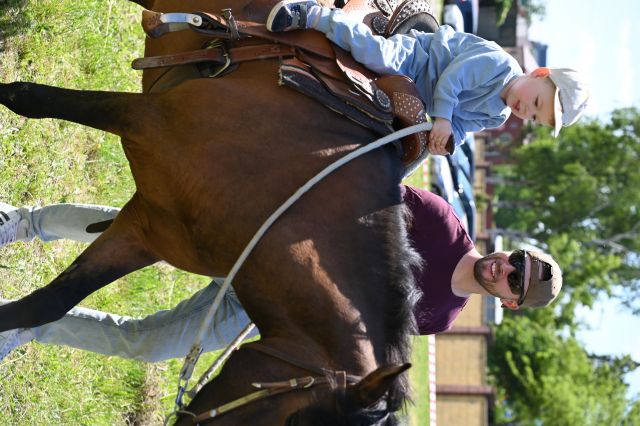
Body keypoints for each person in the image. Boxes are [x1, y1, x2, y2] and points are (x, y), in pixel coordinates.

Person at [0, 188, 562, 361]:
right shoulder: (440, 221)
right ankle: (24, 221)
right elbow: (358, 190)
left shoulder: (441, 317)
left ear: (510, 303)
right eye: (517, 259)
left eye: (516, 279)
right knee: (145, 236)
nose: (506, 267)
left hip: (269, 306)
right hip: (271, 244)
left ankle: (31, 326)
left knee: (152, 345)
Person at [265, 1, 590, 155]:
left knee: (409, 150)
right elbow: (453, 79)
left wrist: (447, 141)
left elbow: (461, 126)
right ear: (539, 73)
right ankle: (315, 16)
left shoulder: (497, 115)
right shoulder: (499, 65)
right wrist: (443, 119)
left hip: (423, 97)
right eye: (537, 102)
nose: (526, 110)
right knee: (375, 55)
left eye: (534, 117)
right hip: (419, 60)